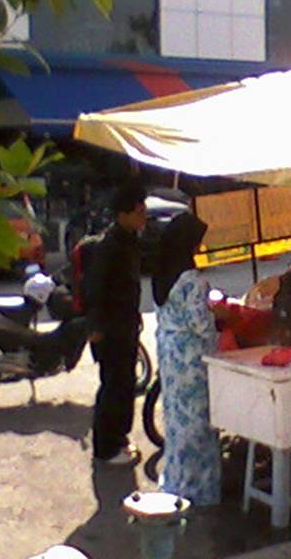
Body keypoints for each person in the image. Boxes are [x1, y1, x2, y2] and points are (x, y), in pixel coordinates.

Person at [152, 211, 222, 505]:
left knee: (176, 419)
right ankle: (198, 489)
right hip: (191, 358)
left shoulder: (162, 273)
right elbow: (202, 326)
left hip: (169, 353)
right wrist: (219, 319)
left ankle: (176, 478)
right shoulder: (191, 280)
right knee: (197, 425)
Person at [86, 183, 147, 465]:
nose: (144, 214)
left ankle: (120, 438)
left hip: (126, 325)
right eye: (139, 209)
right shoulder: (109, 246)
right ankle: (105, 448)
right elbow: (96, 290)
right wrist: (96, 327)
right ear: (124, 213)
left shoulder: (130, 240)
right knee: (112, 386)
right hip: (110, 329)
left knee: (126, 384)